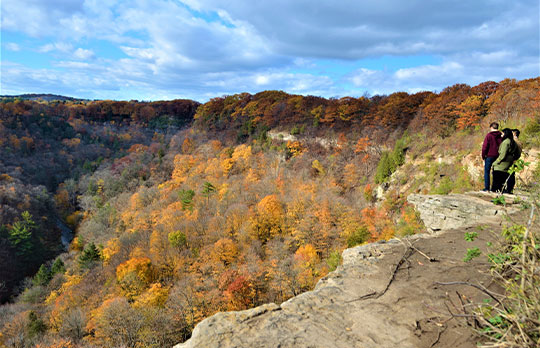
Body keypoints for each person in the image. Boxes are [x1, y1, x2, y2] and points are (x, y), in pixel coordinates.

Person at [491, 128, 518, 193]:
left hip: (502, 164)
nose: (501, 135)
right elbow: (517, 153)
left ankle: (495, 191)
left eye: (502, 134)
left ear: (506, 134)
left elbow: (503, 154)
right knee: (505, 177)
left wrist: (495, 162)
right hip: (509, 162)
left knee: (497, 179)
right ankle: (505, 190)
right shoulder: (513, 142)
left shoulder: (506, 142)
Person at [481, 122, 502, 191]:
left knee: (487, 172)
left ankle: (487, 188)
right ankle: (495, 188)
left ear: (491, 128)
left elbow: (485, 147)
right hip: (498, 156)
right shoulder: (501, 135)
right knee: (496, 172)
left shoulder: (489, 135)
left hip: (489, 156)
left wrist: (483, 156)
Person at [506, 129, 522, 193]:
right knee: (512, 175)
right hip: (516, 160)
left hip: (512, 159)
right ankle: (510, 189)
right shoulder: (520, 142)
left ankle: (508, 189)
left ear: (514, 133)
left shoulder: (514, 141)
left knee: (509, 174)